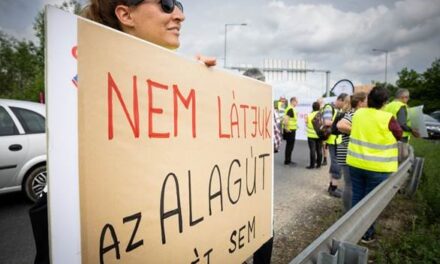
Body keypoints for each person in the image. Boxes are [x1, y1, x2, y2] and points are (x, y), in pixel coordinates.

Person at [30, 2, 216, 263]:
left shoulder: (160, 78)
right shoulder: (86, 74)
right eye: (166, 4)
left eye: (179, 5)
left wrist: (202, 86)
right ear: (126, 14)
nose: (180, 15)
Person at [347, 86, 402, 243]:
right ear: (385, 102)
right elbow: (398, 134)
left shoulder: (358, 113)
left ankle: (352, 229)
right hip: (378, 168)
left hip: (356, 164)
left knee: (357, 197)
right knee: (371, 203)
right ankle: (366, 234)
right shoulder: (388, 118)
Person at [242, 68, 274, 264]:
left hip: (237, 183)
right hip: (258, 183)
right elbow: (276, 144)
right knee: (262, 226)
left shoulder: (231, 103)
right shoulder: (267, 111)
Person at [336, 92, 367, 213]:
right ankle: (348, 213)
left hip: (348, 151)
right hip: (348, 152)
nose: (368, 103)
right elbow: (340, 125)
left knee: (351, 185)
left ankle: (349, 212)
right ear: (360, 103)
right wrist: (358, 131)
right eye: (366, 101)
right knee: (350, 185)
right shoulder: (354, 113)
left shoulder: (355, 113)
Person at [322, 93, 348, 197]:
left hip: (338, 140)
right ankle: (333, 188)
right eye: (345, 102)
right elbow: (327, 122)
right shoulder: (329, 107)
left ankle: (332, 186)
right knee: (337, 164)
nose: (345, 105)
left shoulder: (337, 110)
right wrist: (341, 121)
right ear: (340, 100)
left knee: (336, 164)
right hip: (334, 140)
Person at [306, 101, 322, 169]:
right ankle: (319, 165)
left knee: (312, 150)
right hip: (319, 135)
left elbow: (306, 123)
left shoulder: (309, 115)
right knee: (319, 150)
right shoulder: (321, 114)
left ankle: (312, 165)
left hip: (311, 136)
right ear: (319, 107)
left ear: (312, 107)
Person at [283, 97, 299, 165]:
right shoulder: (290, 109)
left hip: (291, 129)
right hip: (289, 130)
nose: (297, 103)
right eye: (296, 102)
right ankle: (287, 161)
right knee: (289, 146)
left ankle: (288, 160)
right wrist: (286, 128)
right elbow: (286, 119)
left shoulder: (291, 109)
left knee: (290, 146)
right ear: (293, 101)